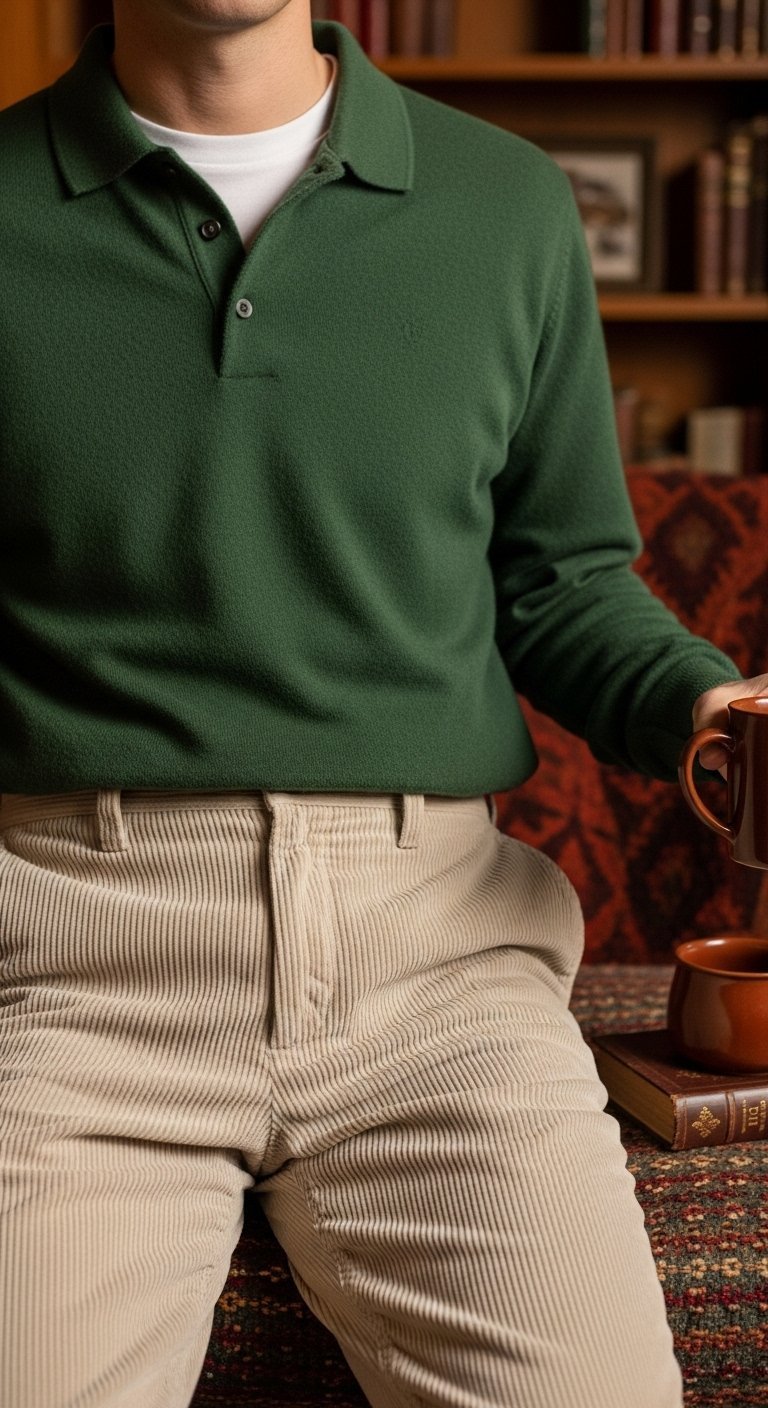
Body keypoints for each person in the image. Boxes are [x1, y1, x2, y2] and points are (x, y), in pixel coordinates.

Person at [0, 3, 761, 1406]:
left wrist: (714, 714)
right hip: (68, 968)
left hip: (441, 971)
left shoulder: (509, 205)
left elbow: (564, 585)